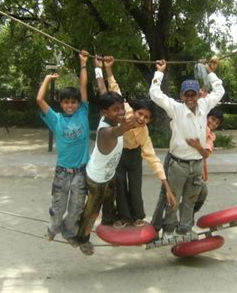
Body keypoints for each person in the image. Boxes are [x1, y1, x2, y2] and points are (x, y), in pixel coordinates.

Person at [149, 58, 224, 239]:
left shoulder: (204, 106)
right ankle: (168, 230)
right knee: (172, 199)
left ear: (198, 94)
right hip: (178, 164)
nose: (190, 98)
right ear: (182, 96)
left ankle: (184, 229)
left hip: (197, 164)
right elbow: (154, 93)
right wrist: (160, 72)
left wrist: (209, 71)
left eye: (193, 94)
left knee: (190, 200)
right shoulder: (176, 108)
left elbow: (219, 90)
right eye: (187, 95)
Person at [98, 56, 177, 229]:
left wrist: (167, 187)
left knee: (135, 187)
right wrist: (108, 68)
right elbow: (114, 88)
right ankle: (124, 217)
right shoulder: (124, 110)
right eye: (140, 113)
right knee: (119, 185)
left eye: (147, 117)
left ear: (149, 121)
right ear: (134, 110)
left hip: (134, 156)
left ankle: (137, 216)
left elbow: (153, 159)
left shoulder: (144, 134)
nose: (141, 118)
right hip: (118, 154)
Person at [76, 62, 136, 256]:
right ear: (104, 113)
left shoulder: (107, 112)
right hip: (96, 180)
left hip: (108, 176)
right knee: (92, 211)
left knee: (110, 205)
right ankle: (82, 238)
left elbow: (102, 88)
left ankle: (110, 228)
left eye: (121, 108)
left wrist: (98, 67)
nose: (121, 112)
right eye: (116, 110)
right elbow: (118, 131)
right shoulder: (107, 132)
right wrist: (128, 124)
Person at [36, 50, 90, 248]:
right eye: (66, 102)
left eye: (73, 102)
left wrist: (83, 63)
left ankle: (68, 232)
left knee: (76, 208)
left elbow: (83, 85)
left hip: (81, 173)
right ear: (61, 103)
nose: (70, 105)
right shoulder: (55, 119)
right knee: (58, 208)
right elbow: (39, 100)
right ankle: (53, 227)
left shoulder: (83, 112)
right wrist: (48, 79)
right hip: (62, 173)